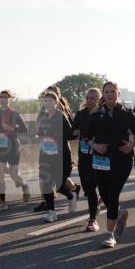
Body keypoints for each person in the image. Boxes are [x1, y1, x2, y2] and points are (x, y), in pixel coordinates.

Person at [88, 81, 135, 248]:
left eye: (112, 91)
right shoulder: (95, 115)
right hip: (101, 160)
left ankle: (109, 235)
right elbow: (86, 137)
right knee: (104, 193)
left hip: (121, 159)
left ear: (118, 94)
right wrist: (95, 146)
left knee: (113, 193)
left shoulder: (127, 114)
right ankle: (121, 214)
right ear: (103, 94)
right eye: (107, 91)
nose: (109, 94)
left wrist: (131, 145)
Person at [35, 91, 77, 222]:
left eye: (50, 100)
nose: (47, 102)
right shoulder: (43, 117)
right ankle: (51, 212)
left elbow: (70, 134)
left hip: (62, 155)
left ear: (56, 102)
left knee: (59, 186)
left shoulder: (61, 116)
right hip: (46, 154)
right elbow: (40, 133)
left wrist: (55, 137)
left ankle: (71, 195)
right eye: (45, 100)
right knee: (47, 184)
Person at [0, 90, 31, 211]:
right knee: (0, 173)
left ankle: (24, 185)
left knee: (14, 175)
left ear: (10, 99)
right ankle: (2, 201)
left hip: (13, 146)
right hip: (0, 146)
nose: (3, 99)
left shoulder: (15, 114)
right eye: (1, 97)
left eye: (5, 97)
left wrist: (12, 129)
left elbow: (25, 130)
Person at [73, 87, 102, 231]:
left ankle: (92, 219)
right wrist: (76, 131)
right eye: (88, 98)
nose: (90, 100)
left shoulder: (102, 114)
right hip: (83, 155)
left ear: (98, 99)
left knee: (94, 186)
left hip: (99, 156)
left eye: (93, 98)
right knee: (87, 187)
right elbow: (73, 130)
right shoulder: (80, 114)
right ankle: (96, 203)